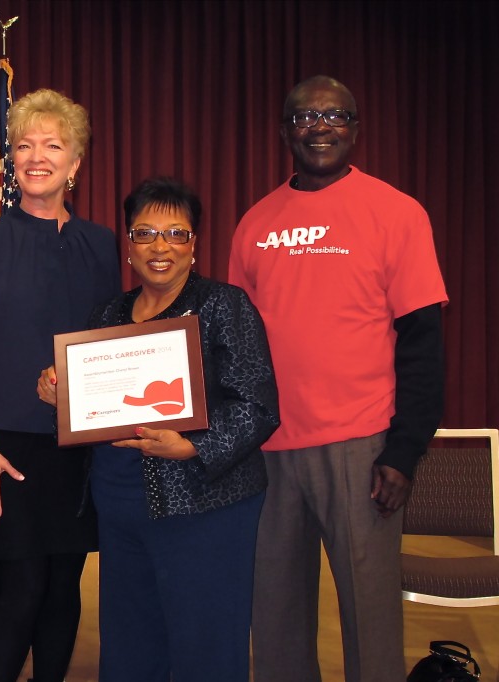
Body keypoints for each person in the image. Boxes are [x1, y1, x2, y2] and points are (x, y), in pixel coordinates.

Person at [229, 75, 448, 682]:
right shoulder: (255, 224)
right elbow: (238, 347)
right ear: (283, 132)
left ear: (355, 128)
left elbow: (424, 345)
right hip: (270, 453)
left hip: (363, 448)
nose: (319, 126)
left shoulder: (397, 214)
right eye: (304, 117)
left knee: (370, 621)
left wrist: (404, 451)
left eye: (334, 115)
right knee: (273, 621)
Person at [38, 177, 280, 681]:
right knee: (130, 644)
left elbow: (258, 406)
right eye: (145, 233)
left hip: (205, 505)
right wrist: (60, 396)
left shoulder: (223, 306)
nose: (160, 247)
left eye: (176, 233)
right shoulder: (107, 314)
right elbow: (94, 408)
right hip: (121, 503)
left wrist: (192, 447)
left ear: (194, 245)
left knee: (205, 645)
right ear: (128, 244)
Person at [0, 88, 120, 682]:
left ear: (76, 163)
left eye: (53, 145)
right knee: (17, 587)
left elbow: (110, 339)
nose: (36, 156)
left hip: (77, 448)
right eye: (24, 145)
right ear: (11, 160)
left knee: (64, 587)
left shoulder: (101, 245)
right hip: (4, 448)